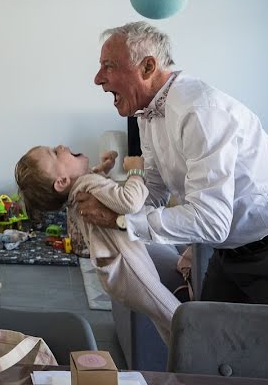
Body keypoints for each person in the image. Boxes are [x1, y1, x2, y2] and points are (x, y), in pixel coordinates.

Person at [80, 20, 268, 309]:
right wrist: (104, 195)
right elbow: (152, 190)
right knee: (208, 343)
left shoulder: (200, 111)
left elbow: (211, 221)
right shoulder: (145, 114)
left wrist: (121, 221)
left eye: (109, 66)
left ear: (148, 67)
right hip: (231, 252)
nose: (98, 78)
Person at [16, 145, 180, 341]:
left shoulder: (78, 193)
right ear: (61, 181)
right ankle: (197, 358)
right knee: (175, 318)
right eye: (55, 153)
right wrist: (136, 172)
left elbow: (102, 191)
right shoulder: (87, 184)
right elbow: (130, 202)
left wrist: (103, 170)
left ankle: (181, 361)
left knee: (165, 323)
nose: (60, 147)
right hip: (129, 268)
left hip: (118, 273)